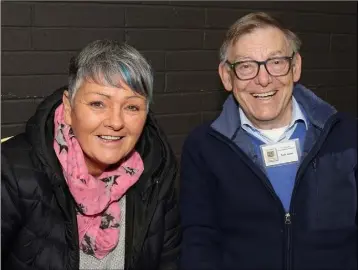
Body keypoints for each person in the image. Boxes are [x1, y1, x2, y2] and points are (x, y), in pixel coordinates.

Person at [179, 12, 357, 270]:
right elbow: (199, 241)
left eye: (276, 62)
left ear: (295, 67)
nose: (263, 79)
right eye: (246, 66)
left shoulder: (347, 136)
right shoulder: (203, 147)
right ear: (227, 76)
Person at [2, 40, 181, 270]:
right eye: (98, 103)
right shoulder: (12, 171)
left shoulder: (157, 172)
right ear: (68, 108)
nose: (116, 122)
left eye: (132, 107)